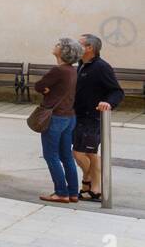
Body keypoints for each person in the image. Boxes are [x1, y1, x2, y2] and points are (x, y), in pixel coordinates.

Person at [73, 32, 124, 201]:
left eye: (80, 44)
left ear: (90, 48)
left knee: (80, 153)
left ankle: (88, 181)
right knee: (91, 154)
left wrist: (109, 103)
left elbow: (117, 91)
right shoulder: (81, 64)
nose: (76, 46)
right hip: (78, 116)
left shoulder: (101, 67)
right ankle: (95, 189)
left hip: (93, 117)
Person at [33, 37, 81, 203]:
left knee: (51, 155)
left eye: (59, 44)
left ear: (63, 51)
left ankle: (61, 192)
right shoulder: (73, 70)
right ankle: (73, 192)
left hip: (55, 117)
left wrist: (47, 90)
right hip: (69, 117)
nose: (55, 45)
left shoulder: (59, 70)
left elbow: (39, 86)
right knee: (66, 155)